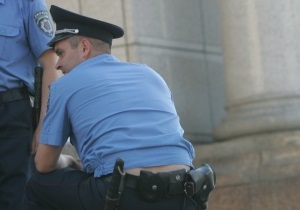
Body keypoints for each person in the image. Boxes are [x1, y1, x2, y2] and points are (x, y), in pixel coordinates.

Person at [26, 5, 216, 210]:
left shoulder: (64, 85)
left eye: (60, 53)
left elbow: (44, 164)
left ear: (84, 47)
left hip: (123, 195)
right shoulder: (150, 74)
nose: (57, 64)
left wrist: (69, 161)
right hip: (184, 194)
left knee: (34, 184)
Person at [0, 0, 59, 209]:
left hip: (10, 114)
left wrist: (45, 126)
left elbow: (51, 65)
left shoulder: (28, 4)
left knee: (14, 198)